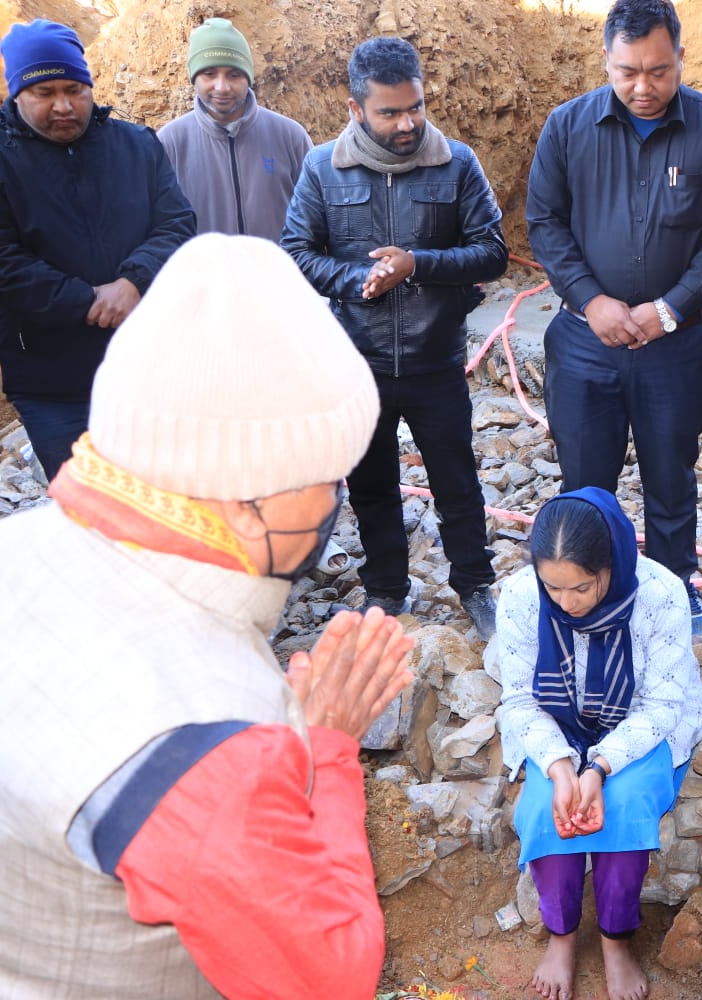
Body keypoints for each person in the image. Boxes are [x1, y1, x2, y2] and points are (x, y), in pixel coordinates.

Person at [0, 233, 413, 997]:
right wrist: (326, 750)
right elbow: (327, 978)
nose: (335, 505)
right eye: (326, 480)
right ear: (244, 503)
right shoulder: (211, 742)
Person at [526, 0, 702, 639]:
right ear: (607, 59)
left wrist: (669, 308)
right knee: (584, 482)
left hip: (675, 347)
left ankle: (673, 591)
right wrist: (589, 300)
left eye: (658, 70)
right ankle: (586, 596)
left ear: (681, 56)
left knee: (671, 476)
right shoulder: (567, 128)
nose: (643, 87)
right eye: (627, 72)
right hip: (584, 342)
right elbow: (544, 221)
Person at [282, 36, 508, 637]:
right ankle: (386, 589)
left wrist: (417, 265)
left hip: (437, 361)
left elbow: (493, 251)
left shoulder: (457, 163)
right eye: (390, 112)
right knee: (371, 486)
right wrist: (360, 280)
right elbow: (297, 252)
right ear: (356, 109)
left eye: (416, 107)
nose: (408, 123)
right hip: (360, 364)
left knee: (457, 483)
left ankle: (475, 585)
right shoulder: (322, 168)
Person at [492, 487, 702, 1000]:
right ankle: (562, 936)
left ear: (611, 564)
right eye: (554, 587)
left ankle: (615, 940)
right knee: (546, 809)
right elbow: (521, 700)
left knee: (624, 807)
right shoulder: (522, 596)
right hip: (556, 726)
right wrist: (560, 766)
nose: (566, 603)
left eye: (582, 587)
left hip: (640, 725)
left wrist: (600, 766)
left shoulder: (659, 593)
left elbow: (661, 704)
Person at [0, 19, 194, 480]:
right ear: (17, 93)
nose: (63, 105)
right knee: (90, 505)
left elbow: (176, 223)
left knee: (169, 493)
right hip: (52, 381)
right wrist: (86, 301)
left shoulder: (137, 145)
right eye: (45, 93)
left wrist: (133, 281)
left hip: (149, 365)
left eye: (74, 89)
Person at [158, 17, 313, 239]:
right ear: (194, 77)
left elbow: (315, 222)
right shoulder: (170, 143)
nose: (222, 87)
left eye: (234, 74)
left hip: (277, 263)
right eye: (209, 74)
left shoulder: (290, 137)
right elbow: (158, 229)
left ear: (248, 77)